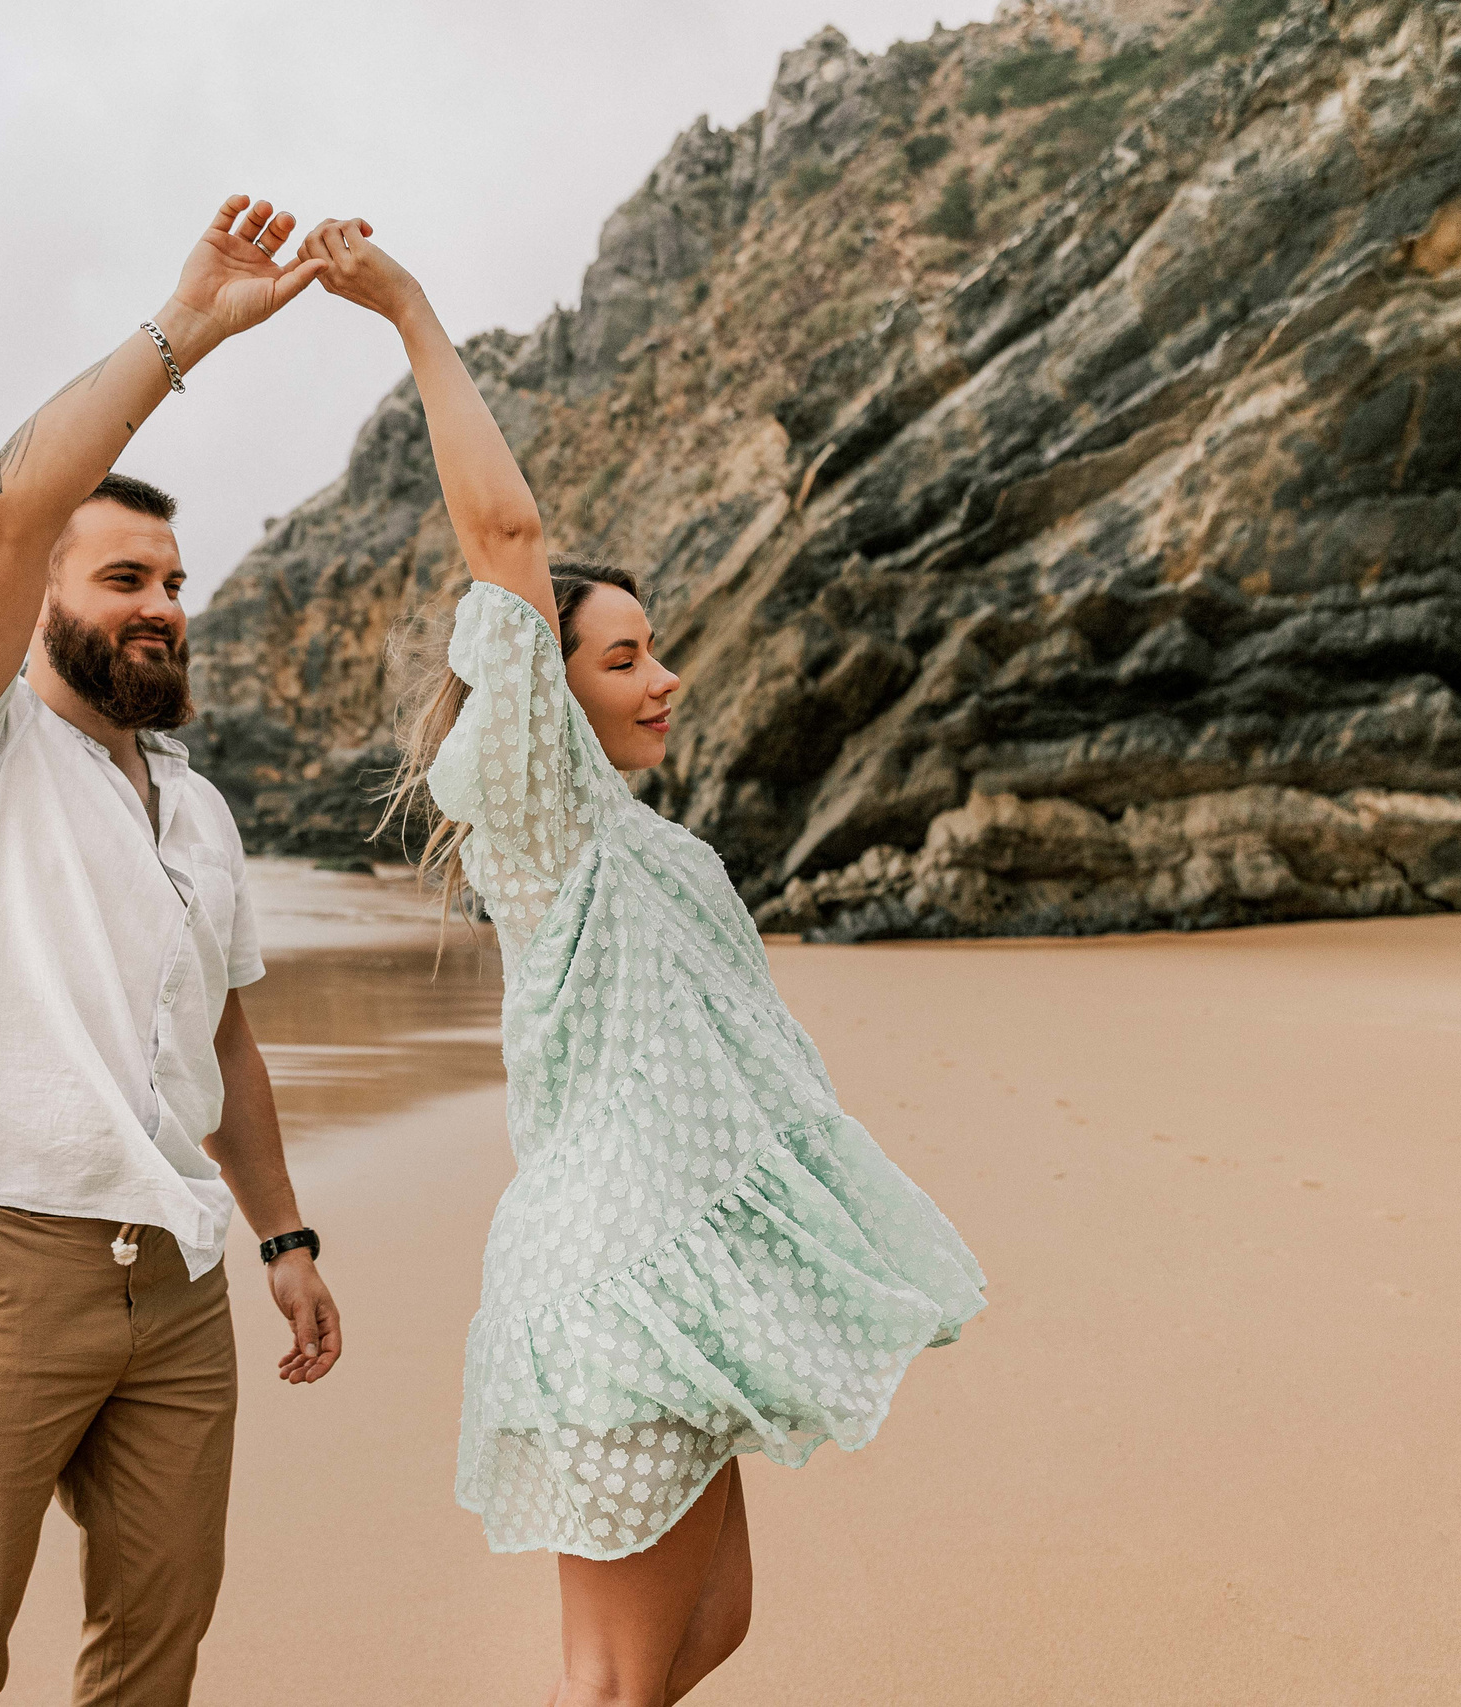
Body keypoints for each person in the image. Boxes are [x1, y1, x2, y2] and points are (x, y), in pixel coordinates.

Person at [298, 215, 988, 1707]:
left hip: (686, 1288)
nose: (665, 675)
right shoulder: (549, 828)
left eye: (658, 649)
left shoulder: (645, 841)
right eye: (624, 659)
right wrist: (409, 308)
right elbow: (508, 541)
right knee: (611, 1682)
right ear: (547, 693)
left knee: (710, 1623)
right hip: (615, 1288)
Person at [0, 194, 343, 1707]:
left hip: (179, 1279)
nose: (160, 610)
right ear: (43, 604)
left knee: (154, 1655)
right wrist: (182, 335)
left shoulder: (195, 808)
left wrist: (286, 1239)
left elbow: (227, 1043)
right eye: (122, 579)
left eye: (174, 585)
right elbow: (3, 512)